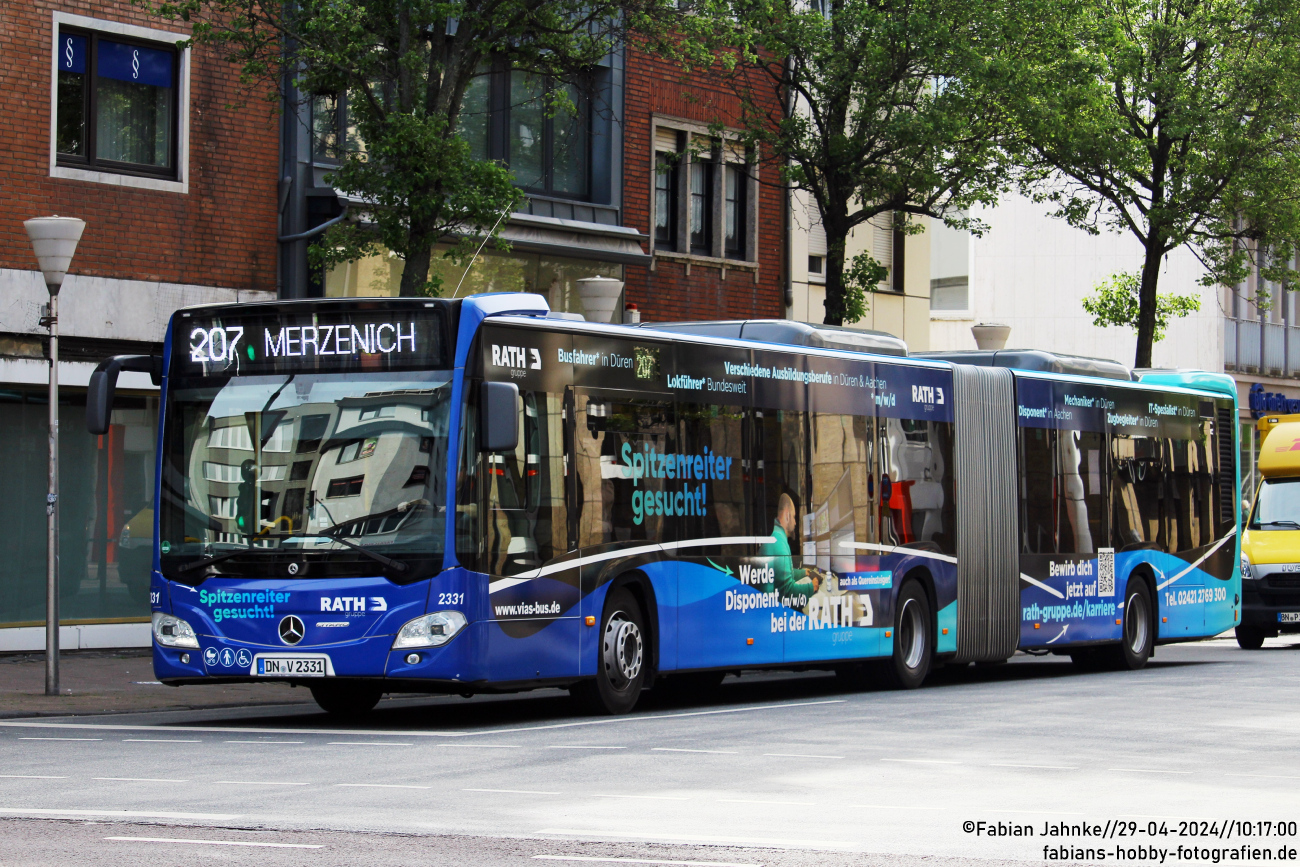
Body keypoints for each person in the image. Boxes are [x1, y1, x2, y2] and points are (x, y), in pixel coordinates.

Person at [761, 493, 820, 602]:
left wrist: (803, 573)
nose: (795, 522)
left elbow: (782, 574)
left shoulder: (777, 536)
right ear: (787, 515)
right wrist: (811, 587)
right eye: (793, 516)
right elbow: (787, 591)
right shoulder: (779, 543)